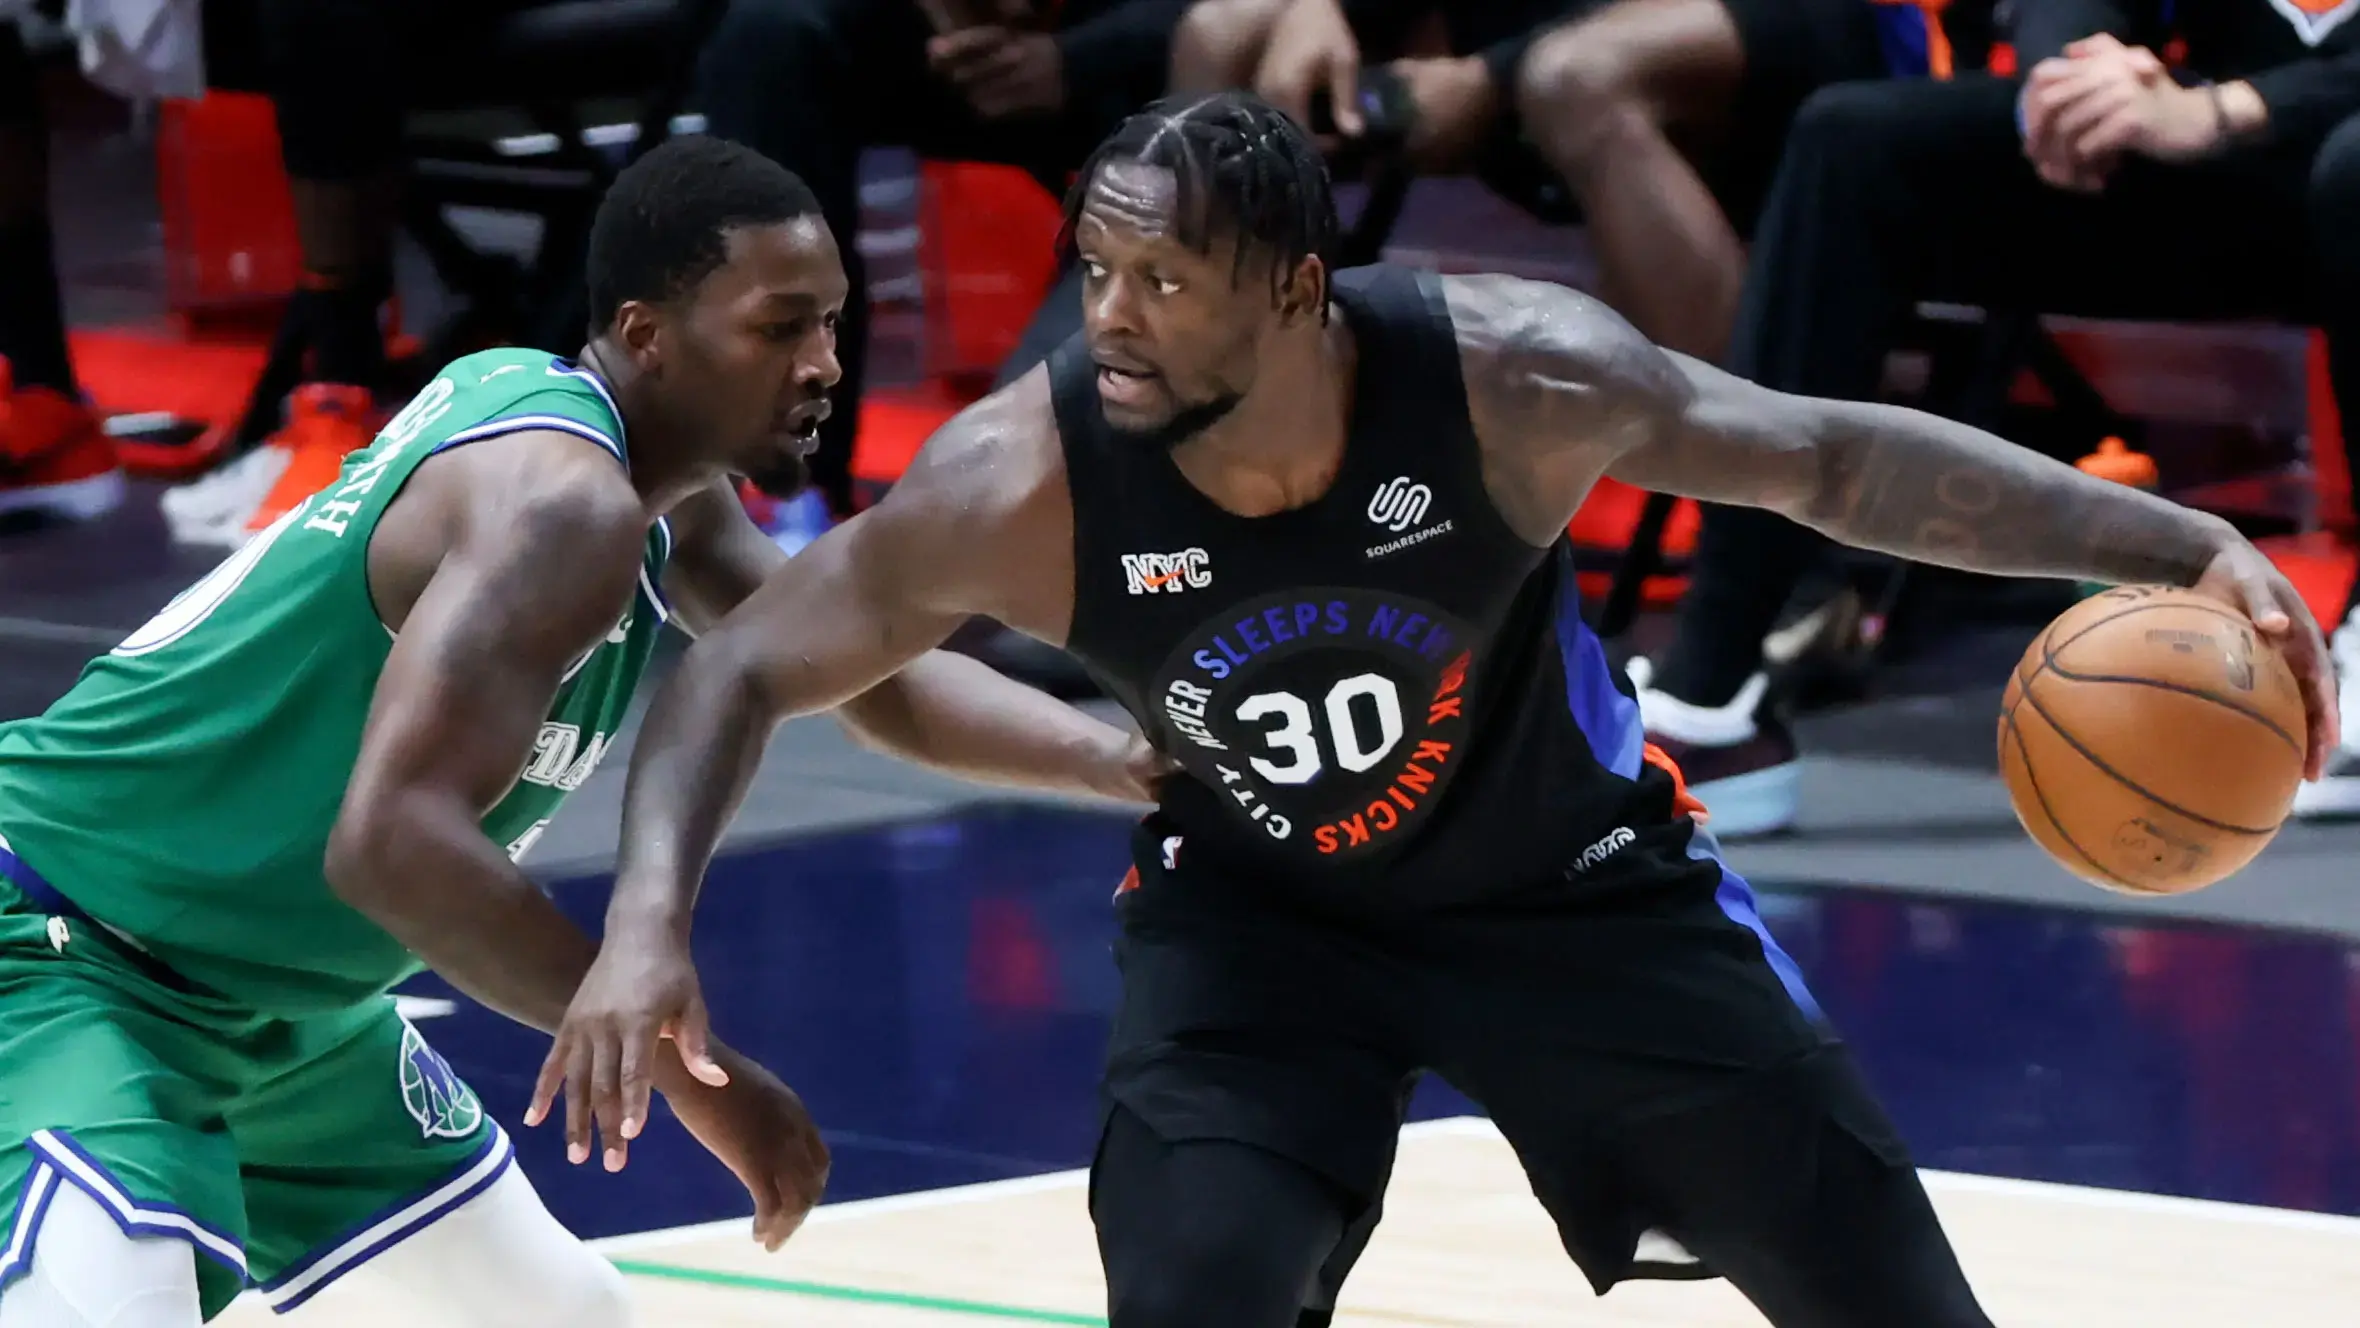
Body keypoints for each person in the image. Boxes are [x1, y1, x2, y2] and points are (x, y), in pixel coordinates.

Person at [537, 94, 2337, 1327]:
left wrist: (2166, 535)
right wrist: (641, 925)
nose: (1116, 321)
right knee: (1196, 1290)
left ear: (1300, 290)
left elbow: (1831, 459)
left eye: (1165, 281)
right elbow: (753, 661)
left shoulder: (1517, 380)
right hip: (1259, 929)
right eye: (1098, 274)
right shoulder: (1022, 477)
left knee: (1897, 1296)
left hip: (1574, 895)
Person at [0, 134, 1158, 1328]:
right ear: (648, 335)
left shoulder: (666, 497)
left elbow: (875, 685)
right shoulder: (564, 505)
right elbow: (388, 841)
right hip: (65, 950)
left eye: (830, 323)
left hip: (277, 1007)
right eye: (779, 328)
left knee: (571, 1314)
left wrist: (1134, 759)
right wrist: (692, 1069)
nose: (823, 364)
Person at [1627, 0, 2360, 833]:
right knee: (1853, 140)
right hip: (2221, 162)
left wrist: (2229, 109)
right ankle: (1714, 691)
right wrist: (2079, 77)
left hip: (2310, 141)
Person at [688, 0, 1191, 545]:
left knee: (1211, 64)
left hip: (1133, 50)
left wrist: (1078, 56)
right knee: (769, 34)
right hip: (940, 35)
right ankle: (787, 480)